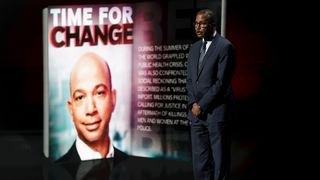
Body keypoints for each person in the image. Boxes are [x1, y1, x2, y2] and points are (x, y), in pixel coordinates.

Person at [187, 9, 236, 180]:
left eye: (202, 23)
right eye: (196, 23)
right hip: (196, 115)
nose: (198, 27)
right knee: (200, 162)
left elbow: (221, 83)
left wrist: (202, 105)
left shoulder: (225, 47)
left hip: (216, 113)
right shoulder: (194, 49)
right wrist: (193, 103)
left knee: (220, 161)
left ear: (212, 25)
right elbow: (190, 80)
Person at [56, 52, 127, 163]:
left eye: (99, 93)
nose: (90, 109)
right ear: (71, 110)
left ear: (113, 99)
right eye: (80, 97)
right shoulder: (54, 173)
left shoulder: (133, 167)